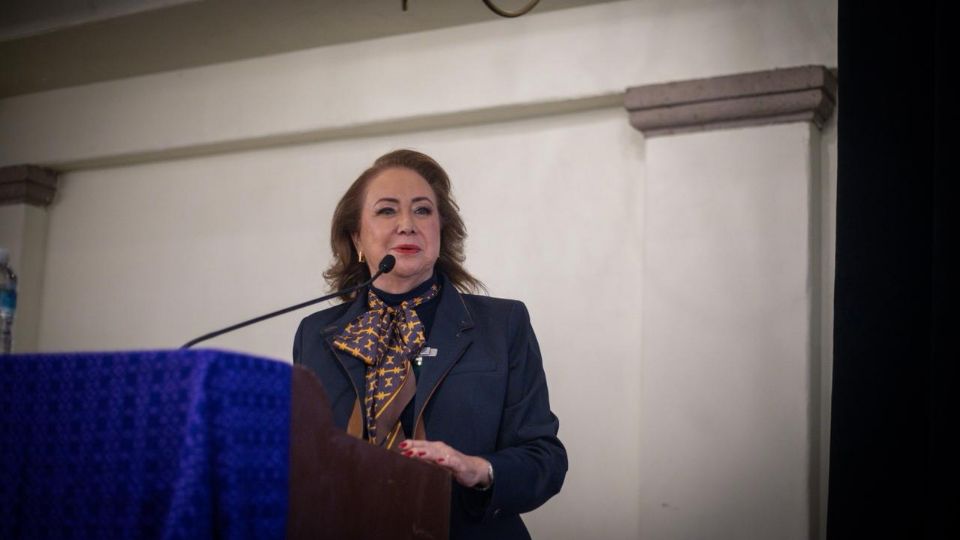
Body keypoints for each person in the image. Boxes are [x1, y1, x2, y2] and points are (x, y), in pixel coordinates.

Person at [293, 149, 566, 539]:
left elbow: (545, 460)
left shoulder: (502, 325)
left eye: (422, 210)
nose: (407, 224)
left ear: (441, 230)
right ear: (356, 237)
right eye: (387, 210)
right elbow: (304, 460)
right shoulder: (315, 334)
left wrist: (477, 469)